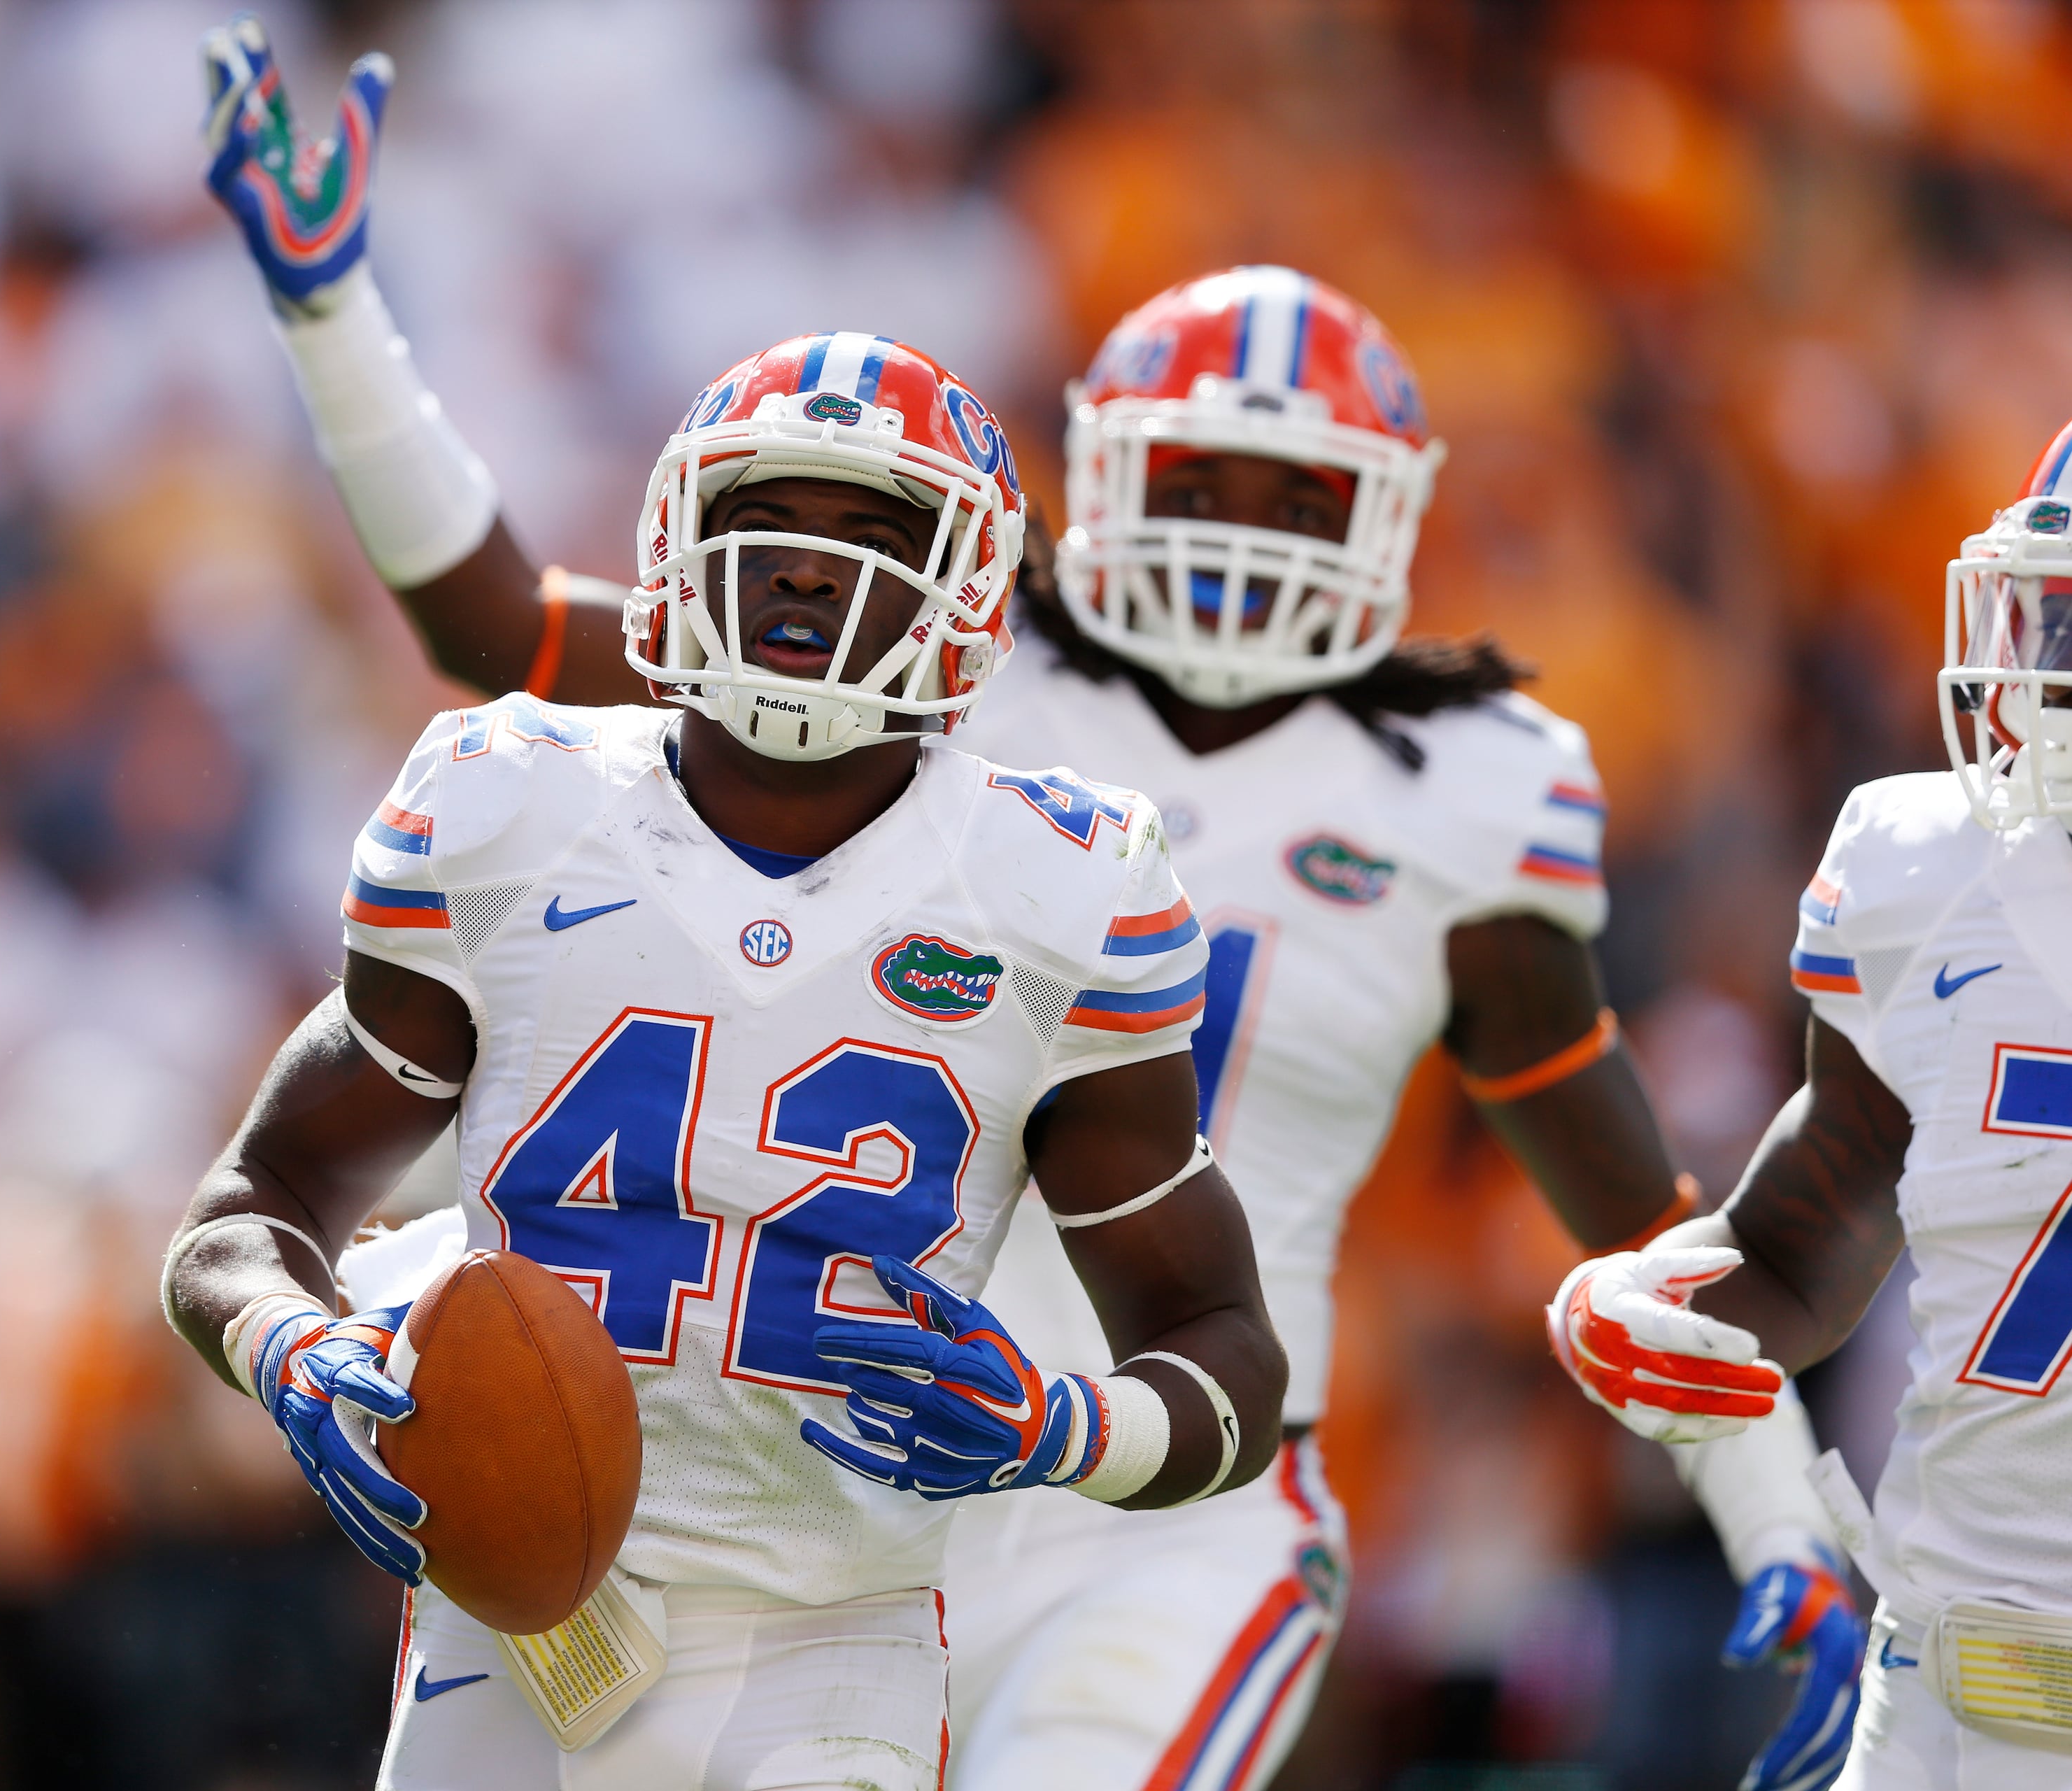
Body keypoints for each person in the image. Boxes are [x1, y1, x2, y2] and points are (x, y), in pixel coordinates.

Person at [197, 26, 1859, 1791]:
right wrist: (335, 316)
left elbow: (1620, 1195)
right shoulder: (918, 661)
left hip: (1153, 1472)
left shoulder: (1459, 788)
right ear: (1097, 477)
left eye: (1295, 502)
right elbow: (502, 624)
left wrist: (1777, 1506)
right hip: (805, 1452)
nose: (1239, 546)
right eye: (1193, 486)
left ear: (1391, 520)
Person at [172, 45, 1290, 1783]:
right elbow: (251, 1210)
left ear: (970, 590)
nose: (811, 570)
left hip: (825, 1637)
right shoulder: (513, 803)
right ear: (683, 544)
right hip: (515, 1621)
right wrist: (297, 1348)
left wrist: (1063, 1422)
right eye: (769, 521)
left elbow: (1223, 1357)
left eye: (870, 534)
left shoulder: (1061, 883)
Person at [1552, 423, 2072, 1791]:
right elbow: (1802, 1240)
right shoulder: (1930, 871)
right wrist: (1663, 1303)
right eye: (2068, 625)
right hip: (1948, 1686)